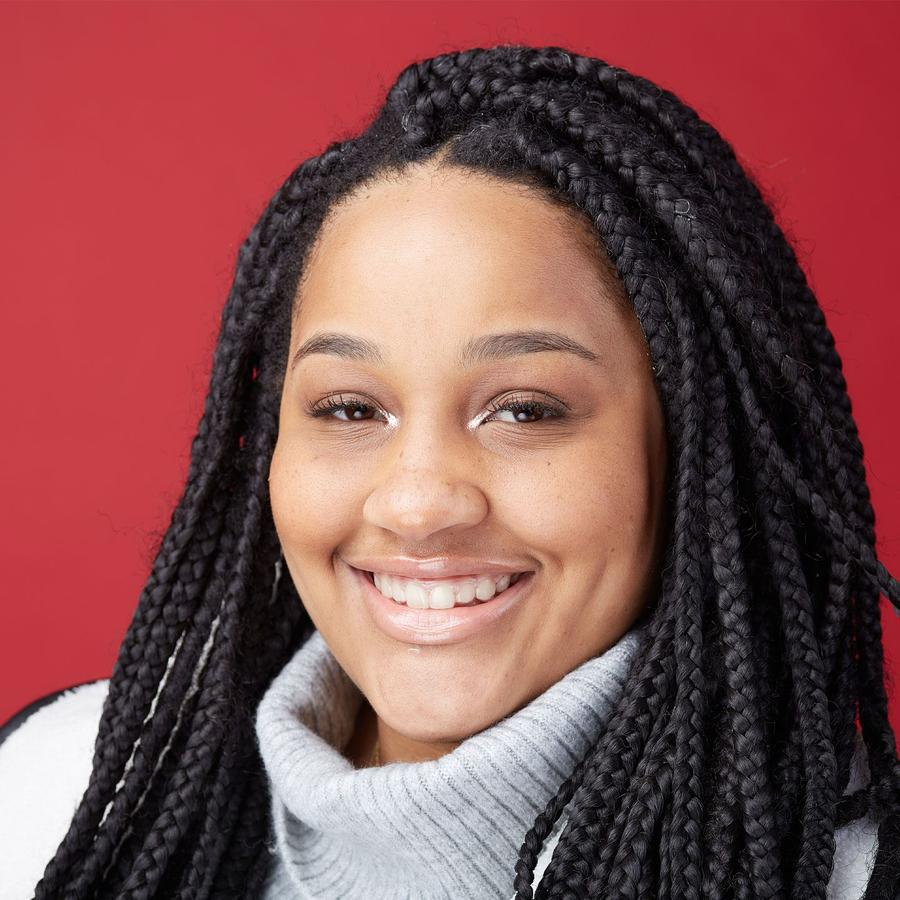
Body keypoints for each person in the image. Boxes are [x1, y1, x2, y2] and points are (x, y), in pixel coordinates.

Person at [0, 42, 898, 899]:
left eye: (524, 410)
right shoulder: (62, 794)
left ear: (696, 449)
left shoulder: (848, 871)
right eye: (350, 410)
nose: (418, 502)